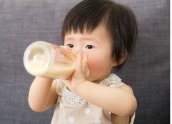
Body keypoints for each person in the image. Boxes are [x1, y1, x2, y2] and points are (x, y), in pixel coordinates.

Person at [28, 0, 138, 124]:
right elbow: (37, 105)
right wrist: (46, 73)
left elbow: (127, 107)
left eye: (89, 46)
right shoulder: (62, 84)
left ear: (117, 57)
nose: (76, 53)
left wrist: (80, 86)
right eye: (70, 44)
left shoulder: (116, 89)